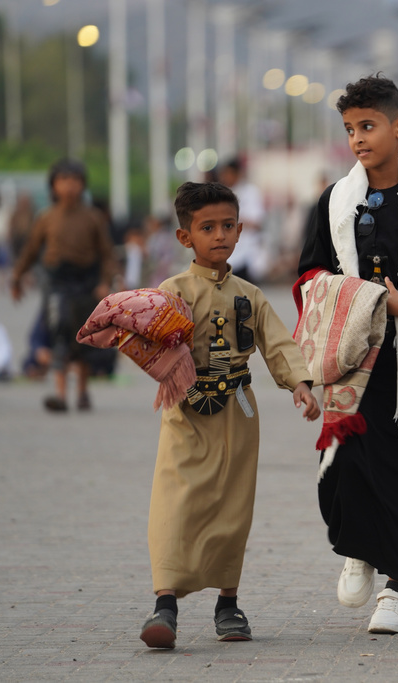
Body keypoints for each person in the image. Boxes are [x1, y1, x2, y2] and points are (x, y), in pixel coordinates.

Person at [299, 75, 398, 634]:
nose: (358, 139)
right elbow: (308, 272)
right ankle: (357, 549)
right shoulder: (335, 200)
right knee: (346, 466)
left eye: (367, 126)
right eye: (349, 129)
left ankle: (396, 588)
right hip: (347, 358)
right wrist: (350, 298)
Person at [138, 181, 319, 649]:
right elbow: (152, 347)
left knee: (233, 506)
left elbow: (277, 343)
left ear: (240, 230)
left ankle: (228, 604)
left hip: (239, 411)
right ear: (185, 238)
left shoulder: (250, 295)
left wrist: (299, 383)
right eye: (207, 227)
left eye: (228, 225)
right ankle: (165, 606)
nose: (220, 235)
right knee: (176, 504)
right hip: (186, 414)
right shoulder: (171, 291)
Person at [10, 159, 115, 412]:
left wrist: (104, 283)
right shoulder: (46, 218)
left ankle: (82, 391)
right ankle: (59, 394)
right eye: (63, 181)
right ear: (53, 186)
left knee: (85, 337)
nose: (69, 186)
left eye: (75, 181)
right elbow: (31, 251)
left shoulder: (94, 217)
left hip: (86, 283)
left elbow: (107, 254)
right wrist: (16, 278)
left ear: (82, 185)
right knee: (59, 332)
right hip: (57, 283)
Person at [221, 158, 267, 283]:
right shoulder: (223, 193)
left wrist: (232, 219)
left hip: (246, 253)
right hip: (229, 254)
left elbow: (257, 222)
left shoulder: (250, 192)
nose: (226, 177)